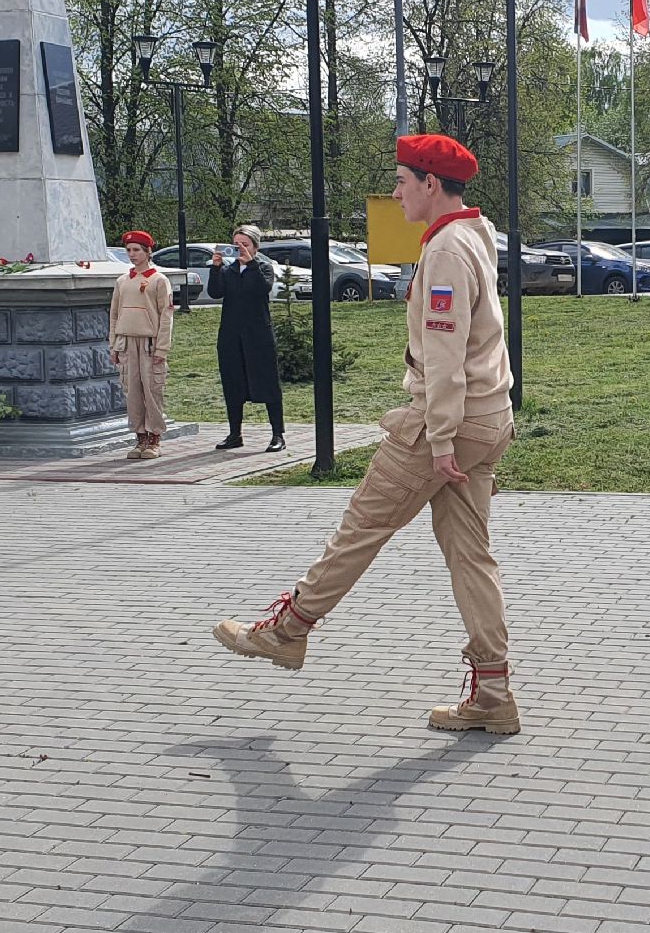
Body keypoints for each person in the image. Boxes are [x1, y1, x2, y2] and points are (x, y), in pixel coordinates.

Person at [212, 133, 521, 734]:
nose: (396, 191)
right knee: (470, 556)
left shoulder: (448, 252)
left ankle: (289, 630)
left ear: (431, 183)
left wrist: (437, 438)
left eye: (403, 180)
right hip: (487, 420)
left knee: (362, 526)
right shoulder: (471, 236)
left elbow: (445, 351)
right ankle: (493, 693)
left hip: (447, 427)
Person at [210, 225, 285, 452]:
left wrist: (251, 263)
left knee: (268, 383)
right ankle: (235, 434)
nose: (240, 249)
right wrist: (216, 268)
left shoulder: (263, 267)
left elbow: (262, 288)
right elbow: (215, 292)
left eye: (245, 244)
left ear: (255, 246)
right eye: (236, 244)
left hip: (258, 336)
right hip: (231, 336)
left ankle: (277, 434)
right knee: (233, 383)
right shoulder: (228, 270)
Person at [111, 230, 175, 460]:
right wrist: (114, 346)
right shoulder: (122, 281)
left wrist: (162, 348)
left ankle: (154, 437)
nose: (132, 254)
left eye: (137, 250)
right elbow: (114, 315)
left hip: (149, 343)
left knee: (152, 391)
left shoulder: (159, 280)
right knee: (133, 393)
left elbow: (166, 316)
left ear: (148, 252)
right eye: (129, 250)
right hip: (128, 342)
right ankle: (139, 437)